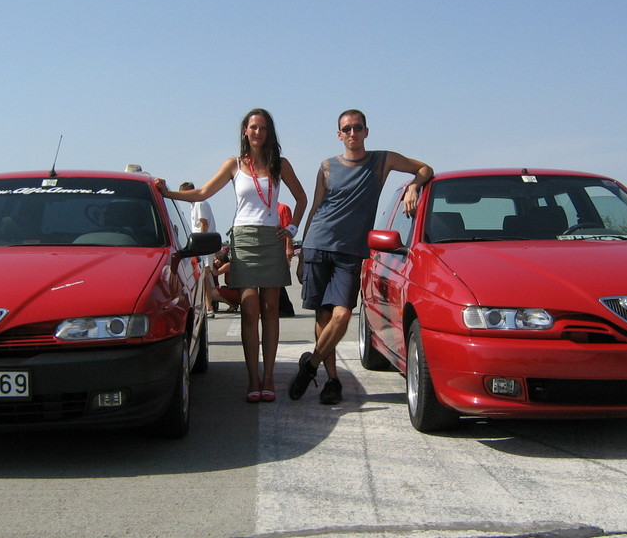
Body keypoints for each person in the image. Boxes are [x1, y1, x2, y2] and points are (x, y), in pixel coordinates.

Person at [156, 108, 307, 403]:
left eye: (263, 128)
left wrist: (292, 228)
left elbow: (301, 197)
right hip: (244, 239)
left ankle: (268, 378)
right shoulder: (234, 165)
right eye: (253, 127)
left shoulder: (280, 164)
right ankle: (253, 379)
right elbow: (202, 193)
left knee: (270, 310)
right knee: (249, 310)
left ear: (269, 132)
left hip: (272, 239)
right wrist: (168, 193)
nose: (258, 132)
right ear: (245, 131)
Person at [288, 109, 433, 405]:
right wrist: (302, 253)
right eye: (347, 129)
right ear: (339, 134)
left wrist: (413, 187)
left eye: (357, 128)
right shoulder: (327, 166)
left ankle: (310, 365)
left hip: (351, 252)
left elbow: (425, 168)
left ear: (366, 131)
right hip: (318, 244)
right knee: (323, 316)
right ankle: (332, 380)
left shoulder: (382, 160)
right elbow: (315, 208)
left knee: (342, 315)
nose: (352, 133)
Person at [180, 181, 218, 317]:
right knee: (203, 276)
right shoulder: (193, 205)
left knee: (203, 275)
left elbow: (204, 224)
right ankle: (208, 306)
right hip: (201, 244)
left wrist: (200, 243)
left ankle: (208, 307)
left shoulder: (200, 203)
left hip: (204, 244)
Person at [277, 202, 296, 317]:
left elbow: (288, 227)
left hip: (280, 249)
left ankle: (286, 308)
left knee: (277, 279)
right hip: (270, 249)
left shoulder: (282, 208)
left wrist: (289, 248)